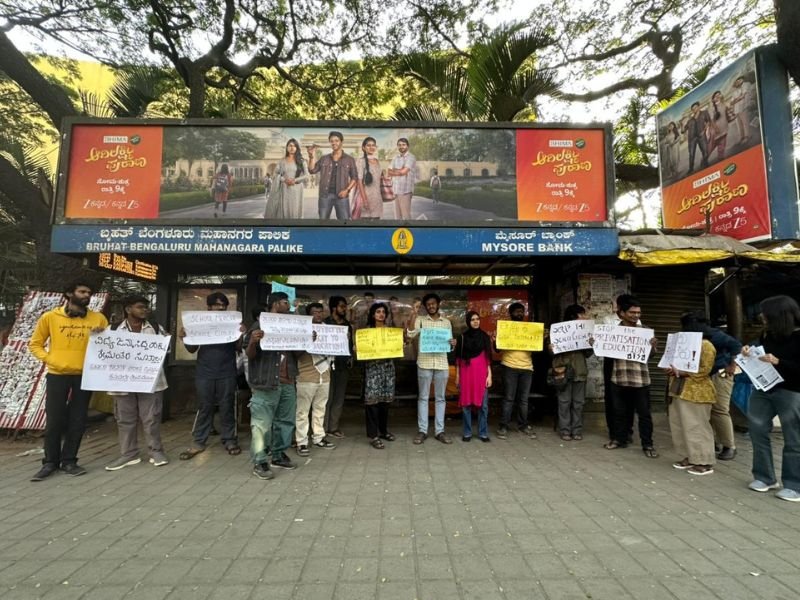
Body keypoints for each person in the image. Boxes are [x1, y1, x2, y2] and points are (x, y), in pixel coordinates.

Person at [29, 281, 108, 481]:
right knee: (54, 420)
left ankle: (69, 460)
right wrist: (50, 359)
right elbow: (35, 344)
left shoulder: (98, 318)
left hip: (85, 375)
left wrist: (102, 337)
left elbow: (107, 347)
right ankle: (50, 462)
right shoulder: (50, 317)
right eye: (82, 291)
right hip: (57, 374)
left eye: (89, 292)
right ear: (68, 293)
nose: (86, 295)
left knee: (78, 420)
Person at [743, 295, 800, 502]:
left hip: (792, 391)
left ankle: (794, 485)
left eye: (765, 313)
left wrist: (779, 362)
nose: (761, 316)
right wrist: (748, 350)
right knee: (757, 430)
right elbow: (758, 349)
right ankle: (765, 477)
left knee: (793, 437)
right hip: (764, 388)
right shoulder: (768, 334)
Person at [105, 296, 170, 471]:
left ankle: (156, 451)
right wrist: (96, 336)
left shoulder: (155, 328)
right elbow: (102, 351)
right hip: (122, 381)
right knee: (125, 419)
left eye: (146, 307)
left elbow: (166, 351)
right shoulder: (112, 329)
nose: (145, 310)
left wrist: (166, 341)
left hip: (150, 381)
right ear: (128, 309)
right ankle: (129, 454)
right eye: (140, 307)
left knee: (151, 418)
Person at [178, 291, 242, 460]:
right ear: (209, 307)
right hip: (205, 373)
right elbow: (192, 349)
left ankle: (230, 440)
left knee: (227, 406)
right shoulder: (199, 324)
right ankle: (199, 441)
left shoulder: (232, 323)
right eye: (217, 305)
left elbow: (238, 347)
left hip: (227, 372)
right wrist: (184, 338)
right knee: (204, 406)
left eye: (223, 305)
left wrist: (240, 333)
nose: (220, 308)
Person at [244, 292, 299, 479]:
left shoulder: (291, 325)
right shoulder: (259, 325)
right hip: (266, 383)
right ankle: (260, 461)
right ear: (275, 304)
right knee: (262, 425)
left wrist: (308, 339)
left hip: (288, 381)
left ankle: (278, 454)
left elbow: (297, 354)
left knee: (286, 421)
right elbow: (249, 355)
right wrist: (253, 342)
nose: (288, 306)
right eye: (285, 302)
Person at [681, 312, 742, 461]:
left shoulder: (715, 334)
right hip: (704, 375)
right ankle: (713, 442)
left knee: (719, 409)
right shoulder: (692, 336)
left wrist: (732, 365)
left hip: (720, 374)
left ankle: (729, 446)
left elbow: (736, 346)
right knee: (706, 409)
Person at [603, 294, 659, 458]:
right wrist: (597, 343)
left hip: (641, 380)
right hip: (618, 378)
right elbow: (604, 350)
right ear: (622, 313)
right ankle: (619, 439)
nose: (636, 315)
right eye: (632, 312)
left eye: (638, 312)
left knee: (644, 414)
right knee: (618, 412)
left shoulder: (646, 331)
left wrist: (653, 347)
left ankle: (647, 444)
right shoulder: (612, 332)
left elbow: (651, 356)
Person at [666, 318, 717, 476]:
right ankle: (690, 457)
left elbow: (705, 370)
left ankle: (704, 461)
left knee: (697, 427)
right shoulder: (684, 344)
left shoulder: (706, 345)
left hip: (697, 393)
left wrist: (682, 372)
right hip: (679, 389)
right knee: (680, 425)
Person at [406, 293, 456, 444]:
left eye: (433, 303)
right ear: (425, 307)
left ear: (438, 304)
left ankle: (440, 431)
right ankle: (422, 431)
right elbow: (410, 335)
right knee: (423, 397)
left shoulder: (446, 322)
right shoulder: (420, 320)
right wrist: (413, 314)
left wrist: (452, 343)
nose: (431, 306)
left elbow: (449, 345)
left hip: (441, 363)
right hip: (424, 363)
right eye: (428, 304)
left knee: (441, 398)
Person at [295, 302, 336, 456]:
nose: (318, 315)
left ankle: (319, 437)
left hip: (324, 374)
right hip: (306, 375)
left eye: (320, 312)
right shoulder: (302, 330)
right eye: (315, 312)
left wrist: (341, 340)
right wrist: (307, 340)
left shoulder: (328, 329)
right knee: (302, 411)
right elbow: (295, 353)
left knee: (320, 408)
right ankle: (301, 441)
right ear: (308, 314)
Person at [495, 302, 537, 440]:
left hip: (527, 367)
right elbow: (497, 349)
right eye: (517, 311)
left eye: (522, 311)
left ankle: (523, 425)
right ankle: (503, 426)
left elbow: (537, 349)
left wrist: (540, 339)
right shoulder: (505, 329)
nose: (520, 314)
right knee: (509, 398)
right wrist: (495, 340)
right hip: (509, 366)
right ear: (511, 313)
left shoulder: (530, 329)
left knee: (524, 399)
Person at [551, 304, 592, 441]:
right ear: (573, 316)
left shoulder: (586, 331)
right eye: (582, 314)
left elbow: (588, 354)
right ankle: (565, 431)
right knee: (564, 402)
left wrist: (590, 344)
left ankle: (577, 430)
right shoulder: (558, 331)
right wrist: (550, 347)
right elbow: (550, 352)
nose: (585, 317)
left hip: (580, 371)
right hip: (562, 371)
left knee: (578, 403)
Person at [359, 302, 396, 449]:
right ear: (373, 315)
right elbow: (361, 349)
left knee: (385, 403)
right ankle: (373, 435)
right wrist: (358, 347)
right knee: (372, 403)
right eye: (378, 312)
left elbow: (397, 348)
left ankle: (383, 431)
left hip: (388, 370)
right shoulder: (366, 332)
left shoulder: (391, 331)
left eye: (383, 312)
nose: (381, 314)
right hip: (373, 370)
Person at [455, 311, 492, 442]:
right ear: (468, 322)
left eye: (477, 319)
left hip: (481, 375)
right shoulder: (462, 338)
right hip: (466, 374)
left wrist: (489, 375)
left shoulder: (485, 337)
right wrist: (457, 376)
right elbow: (458, 359)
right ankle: (467, 433)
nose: (476, 321)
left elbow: (488, 358)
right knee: (466, 405)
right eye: (472, 319)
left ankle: (483, 433)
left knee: (483, 406)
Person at [307, 130, 358, 220]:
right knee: (323, 222)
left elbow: (354, 177)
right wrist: (311, 156)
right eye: (332, 141)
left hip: (342, 195)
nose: (334, 143)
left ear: (342, 142)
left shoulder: (349, 159)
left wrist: (347, 190)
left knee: (344, 222)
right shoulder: (324, 158)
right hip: (325, 195)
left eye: (336, 140)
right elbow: (312, 170)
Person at [324, 295, 352, 439]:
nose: (344, 309)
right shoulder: (325, 323)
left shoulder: (347, 325)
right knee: (326, 398)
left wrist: (351, 357)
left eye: (345, 306)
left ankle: (333, 427)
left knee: (339, 398)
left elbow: (350, 346)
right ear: (334, 308)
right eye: (342, 306)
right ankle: (322, 428)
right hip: (326, 366)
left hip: (342, 365)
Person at [265, 138, 308, 219]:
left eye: (294, 146)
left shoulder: (301, 161)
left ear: (297, 148)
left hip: (297, 189)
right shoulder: (282, 161)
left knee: (295, 211)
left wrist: (294, 180)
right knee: (284, 211)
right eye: (290, 146)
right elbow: (275, 174)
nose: (292, 148)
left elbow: (306, 175)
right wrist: (284, 180)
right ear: (287, 147)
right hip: (284, 189)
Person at [354, 136, 384, 219]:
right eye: (368, 145)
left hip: (377, 199)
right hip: (366, 198)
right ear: (363, 148)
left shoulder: (377, 161)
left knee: (377, 222)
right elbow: (359, 182)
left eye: (373, 145)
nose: (371, 147)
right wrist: (364, 200)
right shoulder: (360, 161)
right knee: (365, 222)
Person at [388, 138, 417, 219]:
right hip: (396, 191)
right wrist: (400, 170)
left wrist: (395, 170)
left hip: (405, 191)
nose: (401, 147)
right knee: (397, 217)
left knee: (406, 216)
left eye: (403, 145)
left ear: (408, 146)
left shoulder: (411, 157)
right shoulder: (395, 158)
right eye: (399, 145)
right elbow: (389, 172)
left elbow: (404, 172)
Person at [681, 102, 710, 175]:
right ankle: (691, 169)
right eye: (693, 109)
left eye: (695, 107)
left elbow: (708, 121)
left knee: (705, 151)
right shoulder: (690, 120)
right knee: (691, 154)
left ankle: (705, 163)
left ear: (699, 107)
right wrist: (682, 125)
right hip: (692, 138)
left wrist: (704, 131)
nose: (694, 109)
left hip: (701, 135)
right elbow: (683, 131)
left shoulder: (704, 113)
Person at [731, 75, 754, 145]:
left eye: (739, 80)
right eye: (737, 81)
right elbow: (731, 102)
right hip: (736, 110)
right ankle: (742, 137)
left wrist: (736, 99)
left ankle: (747, 136)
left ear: (742, 80)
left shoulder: (746, 84)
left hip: (743, 107)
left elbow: (743, 96)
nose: (738, 82)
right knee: (739, 125)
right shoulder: (735, 92)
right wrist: (737, 99)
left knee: (745, 123)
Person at [708, 90, 729, 162]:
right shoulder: (712, 108)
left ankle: (721, 159)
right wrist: (715, 128)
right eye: (716, 96)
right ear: (713, 99)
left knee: (722, 145)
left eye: (719, 95)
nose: (718, 97)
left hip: (724, 128)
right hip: (715, 131)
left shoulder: (723, 104)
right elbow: (711, 120)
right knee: (711, 146)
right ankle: (704, 159)